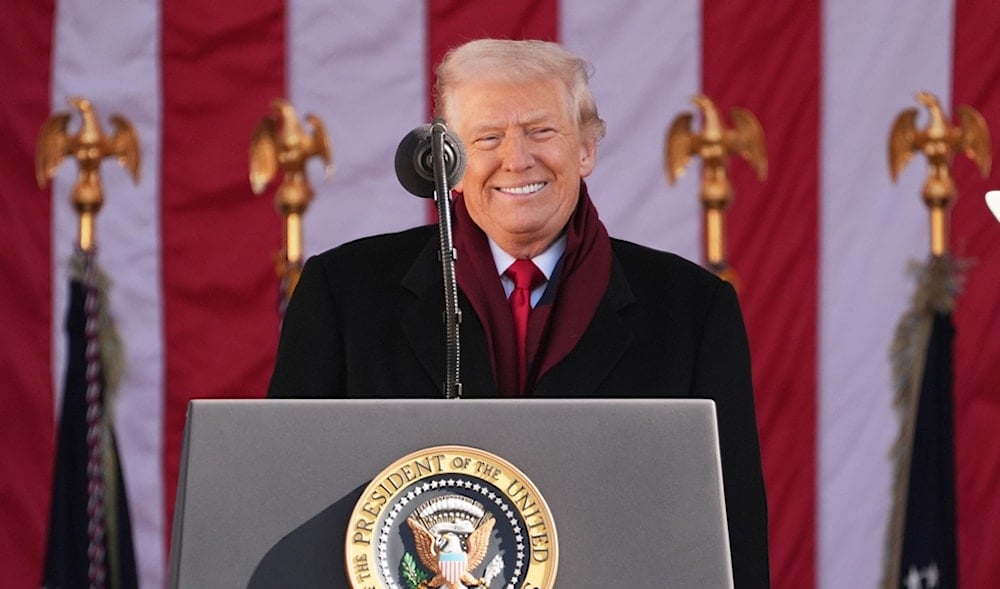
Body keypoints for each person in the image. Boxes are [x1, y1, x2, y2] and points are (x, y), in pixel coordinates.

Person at [269, 38, 769, 586]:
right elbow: (287, 509)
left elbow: (732, 539)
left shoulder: (692, 311)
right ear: (448, 163)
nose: (517, 158)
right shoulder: (343, 295)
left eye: (541, 131)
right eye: (488, 138)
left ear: (586, 149)